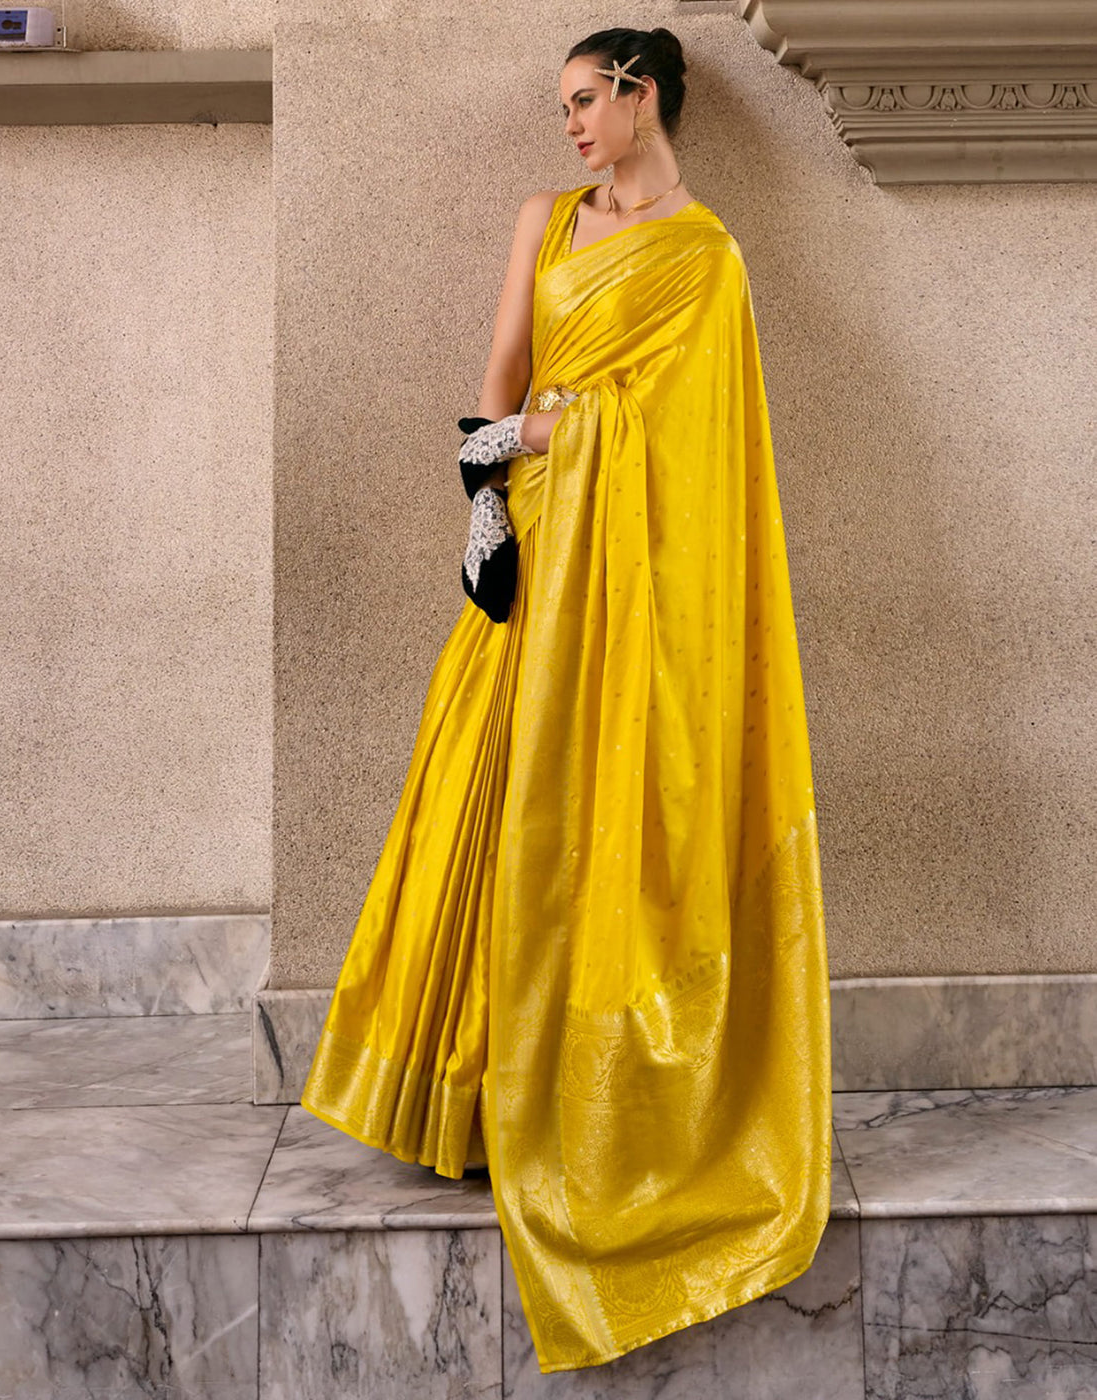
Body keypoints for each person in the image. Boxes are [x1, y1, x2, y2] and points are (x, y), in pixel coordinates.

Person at [301, 25, 832, 1375]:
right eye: (563, 109)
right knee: (487, 812)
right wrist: (494, 508)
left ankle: (581, 1112)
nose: (574, 128)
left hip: (637, 593)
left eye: (590, 102)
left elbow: (702, 466)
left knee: (591, 822)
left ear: (644, 94)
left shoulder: (706, 261)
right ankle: (467, 1108)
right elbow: (486, 406)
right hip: (532, 570)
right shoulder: (545, 222)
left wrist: (555, 427)